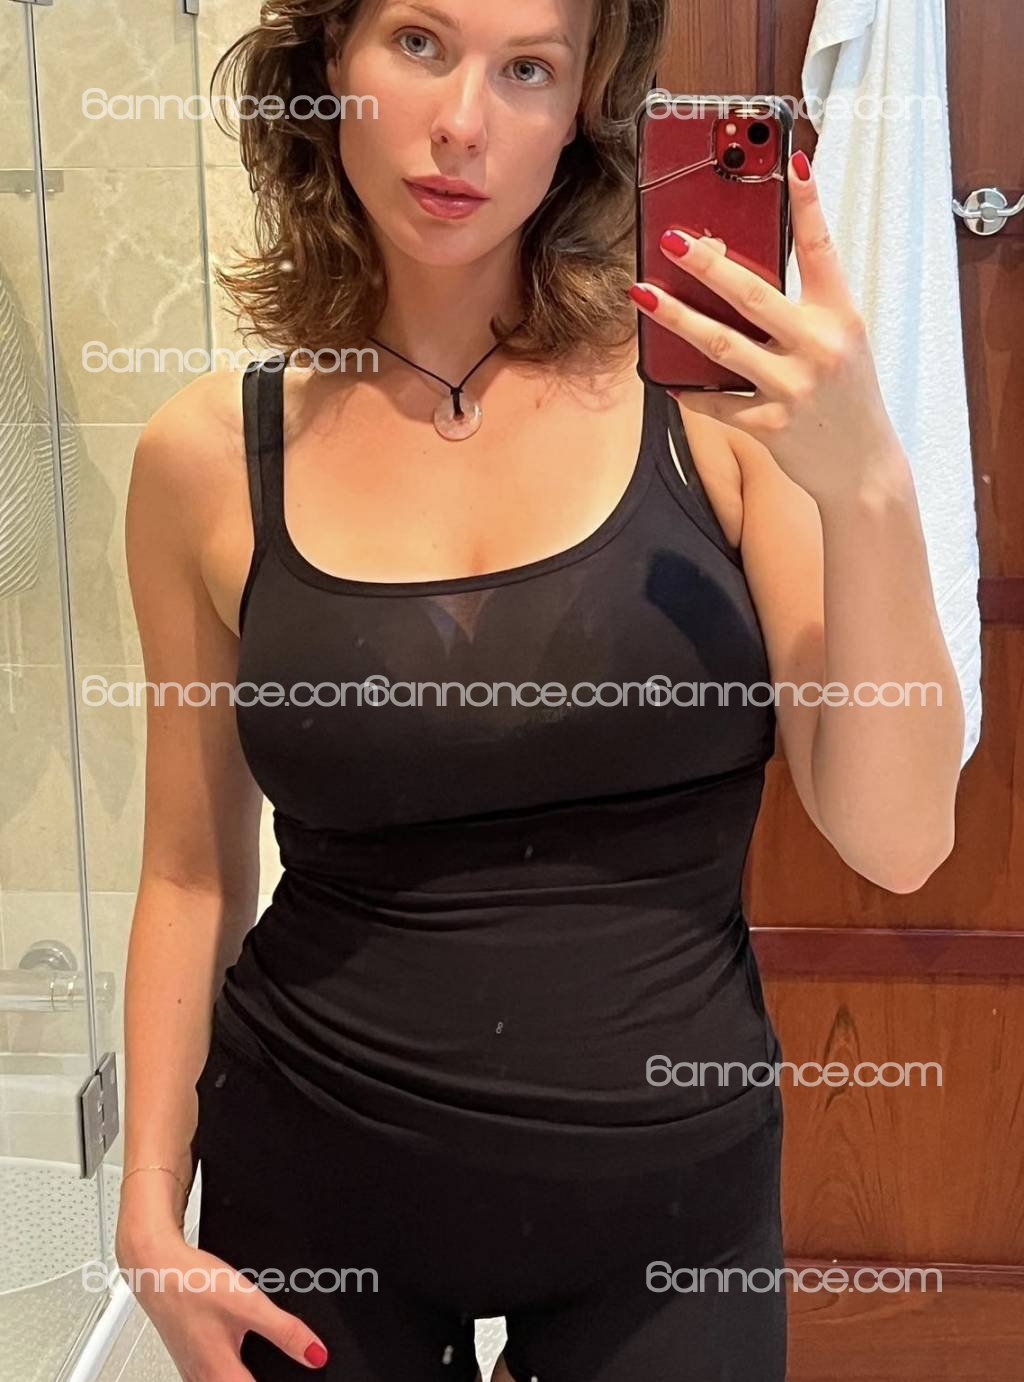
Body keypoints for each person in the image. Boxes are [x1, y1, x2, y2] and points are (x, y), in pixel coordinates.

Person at [115, 1, 965, 1378]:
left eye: (527, 69)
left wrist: (867, 481)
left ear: (583, 109)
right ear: (329, 63)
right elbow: (190, 869)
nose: (463, 123)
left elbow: (900, 837)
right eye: (419, 43)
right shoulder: (207, 458)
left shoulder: (725, 419)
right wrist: (150, 1205)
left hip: (668, 1217)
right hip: (311, 1185)